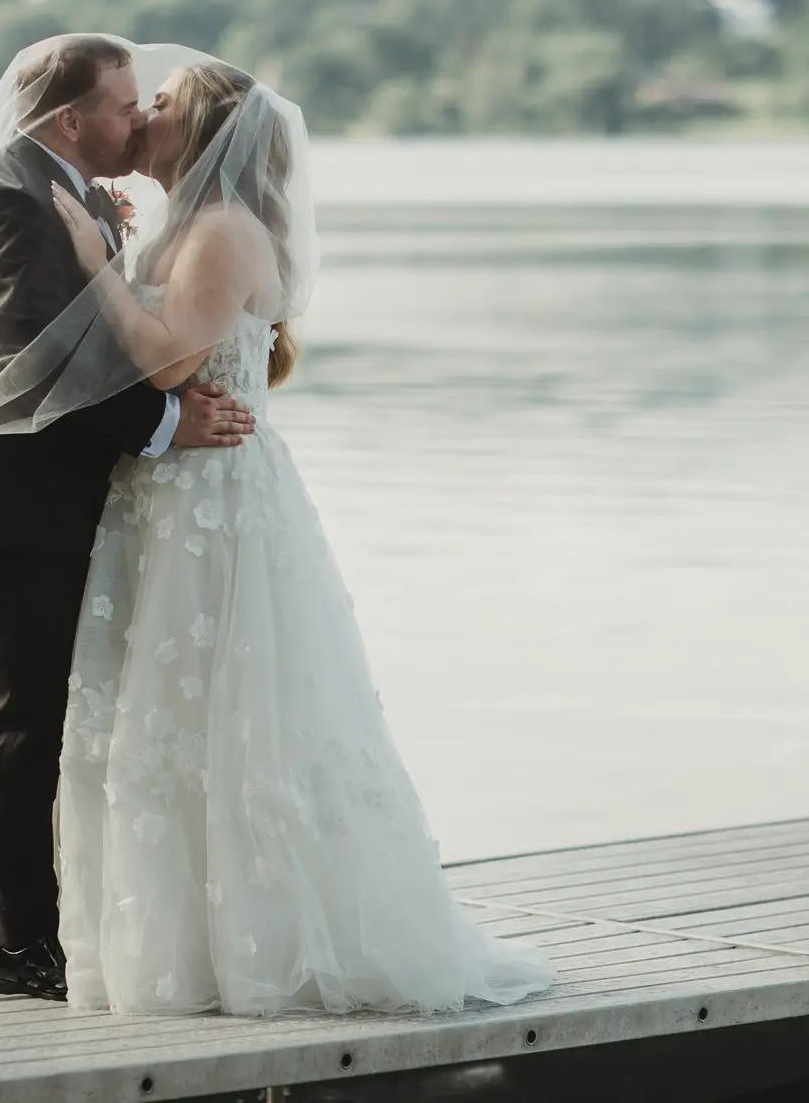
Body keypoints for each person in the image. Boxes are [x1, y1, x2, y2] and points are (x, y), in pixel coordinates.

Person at [44, 58, 555, 1015]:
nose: (144, 111)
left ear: (200, 133)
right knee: (163, 718)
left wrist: (88, 262)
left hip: (213, 504)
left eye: (162, 102)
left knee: (224, 719)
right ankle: (174, 946)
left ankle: (249, 949)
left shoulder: (223, 232)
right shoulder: (186, 226)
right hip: (168, 496)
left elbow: (163, 362)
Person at [0, 36, 257, 1001]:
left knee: (4, 715)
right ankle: (24, 943)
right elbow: (42, 360)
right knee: (20, 719)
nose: (136, 119)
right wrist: (165, 421)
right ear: (72, 119)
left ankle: (1, 928)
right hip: (9, 494)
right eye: (122, 104)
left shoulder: (45, 185)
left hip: (22, 495)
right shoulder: (15, 195)